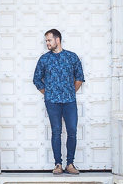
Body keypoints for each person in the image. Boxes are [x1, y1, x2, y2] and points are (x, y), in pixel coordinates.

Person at [32, 28, 84, 176]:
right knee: (56, 132)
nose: (47, 43)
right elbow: (36, 79)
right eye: (46, 41)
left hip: (69, 101)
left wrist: (70, 91)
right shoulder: (44, 59)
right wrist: (48, 93)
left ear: (57, 40)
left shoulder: (72, 57)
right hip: (52, 102)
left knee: (72, 131)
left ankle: (70, 164)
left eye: (49, 40)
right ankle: (58, 164)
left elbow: (79, 77)